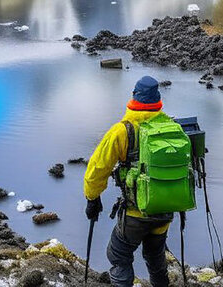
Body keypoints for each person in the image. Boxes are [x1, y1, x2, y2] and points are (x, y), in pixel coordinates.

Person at [84, 76, 172, 287]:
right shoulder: (171, 127)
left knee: (118, 255)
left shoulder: (122, 131)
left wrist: (92, 198)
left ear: (134, 98)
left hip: (135, 214)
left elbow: (97, 169)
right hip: (165, 211)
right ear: (157, 100)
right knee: (155, 257)